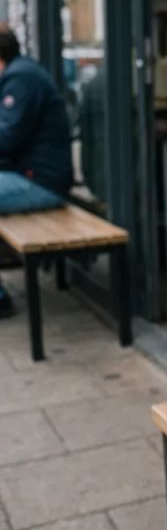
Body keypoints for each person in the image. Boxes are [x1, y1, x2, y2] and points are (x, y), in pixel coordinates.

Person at [0, 25, 72, 318]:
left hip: (43, 183)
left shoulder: (21, 78)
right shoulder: (17, 74)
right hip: (25, 175)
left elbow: (6, 138)